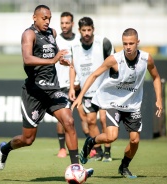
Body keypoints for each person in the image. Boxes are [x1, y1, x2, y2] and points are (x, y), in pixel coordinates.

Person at [0, 5, 93, 177]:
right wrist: (53, 60)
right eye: (44, 18)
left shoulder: (52, 33)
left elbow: (52, 55)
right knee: (28, 139)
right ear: (35, 17)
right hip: (34, 92)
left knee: (69, 121)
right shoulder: (29, 34)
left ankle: (76, 168)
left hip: (53, 89)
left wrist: (60, 60)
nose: (47, 21)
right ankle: (5, 148)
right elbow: (27, 59)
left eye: (49, 18)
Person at [71, 28, 163, 178]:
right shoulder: (114, 59)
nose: (128, 47)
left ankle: (124, 167)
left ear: (137, 42)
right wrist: (80, 95)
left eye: (131, 43)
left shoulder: (147, 59)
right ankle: (90, 142)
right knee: (111, 137)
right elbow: (94, 75)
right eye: (125, 43)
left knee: (135, 140)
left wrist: (159, 99)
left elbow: (156, 77)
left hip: (133, 105)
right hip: (113, 102)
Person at [69, 17, 114, 162]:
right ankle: (98, 150)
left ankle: (108, 151)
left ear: (93, 29)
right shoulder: (75, 47)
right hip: (87, 92)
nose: (87, 33)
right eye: (84, 30)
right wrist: (71, 87)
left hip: (105, 90)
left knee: (103, 120)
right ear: (79, 31)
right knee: (91, 121)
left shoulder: (103, 43)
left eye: (89, 30)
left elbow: (114, 62)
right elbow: (72, 67)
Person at [55, 11, 89, 158]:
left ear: (72, 24)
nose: (64, 25)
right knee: (63, 117)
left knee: (84, 116)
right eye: (62, 23)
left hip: (78, 85)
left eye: (67, 23)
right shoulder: (56, 41)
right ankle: (62, 148)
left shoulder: (79, 41)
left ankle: (90, 146)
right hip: (60, 84)